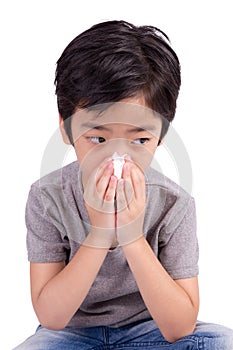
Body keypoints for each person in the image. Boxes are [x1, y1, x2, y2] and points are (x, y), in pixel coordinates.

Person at [14, 20, 233, 349]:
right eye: (98, 137)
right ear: (66, 128)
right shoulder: (47, 197)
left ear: (160, 136)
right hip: (70, 335)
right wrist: (101, 234)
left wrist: (131, 235)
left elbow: (180, 327)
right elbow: (51, 317)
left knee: (221, 342)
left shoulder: (175, 204)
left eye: (139, 139)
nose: (116, 156)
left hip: (151, 331)